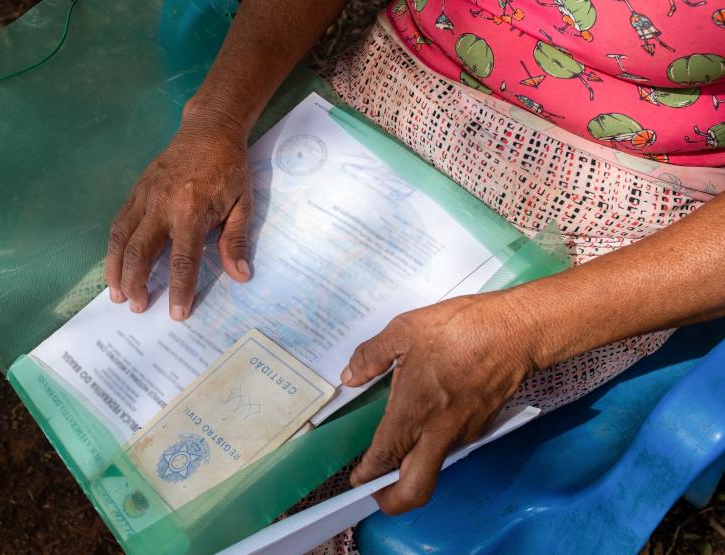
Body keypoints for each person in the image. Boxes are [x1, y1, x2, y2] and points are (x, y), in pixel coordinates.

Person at [105, 0, 725, 520]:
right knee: (159, 355)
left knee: (350, 451)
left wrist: (521, 330)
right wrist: (214, 119)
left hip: (617, 210)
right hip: (391, 91)